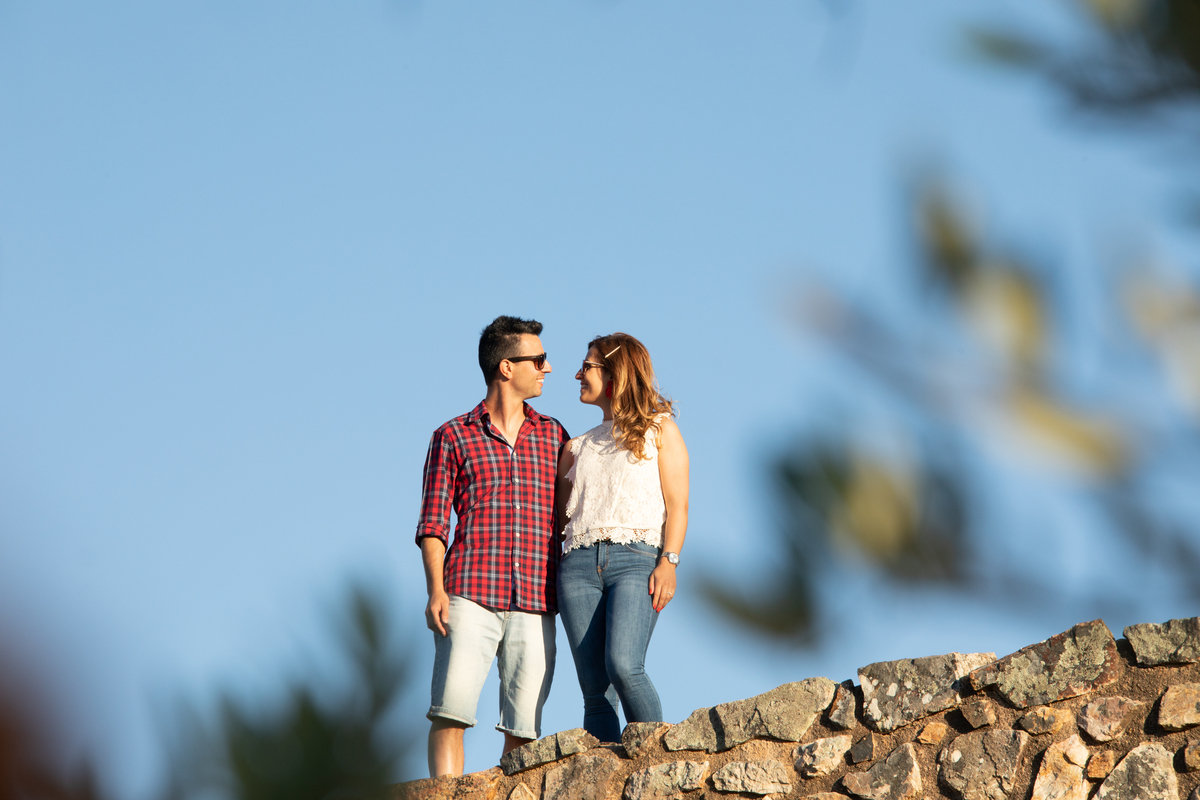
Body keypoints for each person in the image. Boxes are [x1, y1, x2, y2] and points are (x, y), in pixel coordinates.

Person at [416, 315, 569, 777]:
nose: (547, 368)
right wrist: (436, 591)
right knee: (451, 712)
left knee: (524, 728)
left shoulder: (556, 436)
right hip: (469, 594)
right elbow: (433, 524)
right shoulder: (452, 436)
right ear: (506, 367)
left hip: (536, 600)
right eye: (538, 359)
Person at [554, 332, 690, 743]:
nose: (578, 374)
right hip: (576, 567)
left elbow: (678, 506)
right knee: (595, 691)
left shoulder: (661, 430)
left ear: (615, 372)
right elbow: (558, 520)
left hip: (637, 560)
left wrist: (670, 560)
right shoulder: (575, 448)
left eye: (588, 366)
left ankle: (659, 761)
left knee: (624, 665)